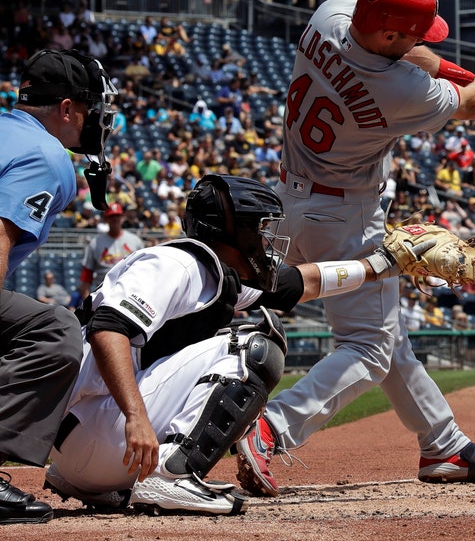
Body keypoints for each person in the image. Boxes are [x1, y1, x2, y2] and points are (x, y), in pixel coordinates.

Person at [234, 0, 475, 498]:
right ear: (391, 37)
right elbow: (474, 102)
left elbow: (410, 57)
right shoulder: (399, 90)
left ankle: (443, 442)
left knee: (386, 335)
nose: (419, 42)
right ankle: (271, 426)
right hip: (345, 218)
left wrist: (467, 74)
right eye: (414, 34)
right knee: (369, 346)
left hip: (285, 205)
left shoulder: (331, 15)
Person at [42, 174, 419, 515]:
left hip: (92, 448)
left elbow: (301, 283)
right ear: (231, 231)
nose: (267, 240)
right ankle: (172, 475)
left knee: (244, 337)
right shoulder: (174, 264)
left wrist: (382, 264)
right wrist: (136, 417)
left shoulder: (212, 275)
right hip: (103, 428)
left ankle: (108, 479)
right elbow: (107, 329)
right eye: (258, 229)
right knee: (256, 345)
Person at [1, 48, 118, 524]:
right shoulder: (48, 154)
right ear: (67, 109)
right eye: (90, 110)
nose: (96, 122)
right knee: (54, 329)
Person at [78, 202, 145, 299]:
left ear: (123, 218)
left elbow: (143, 271)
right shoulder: (95, 243)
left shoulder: (135, 241)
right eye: (111, 216)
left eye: (117, 216)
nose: (115, 219)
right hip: (103, 294)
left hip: (130, 293)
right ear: (105, 219)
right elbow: (86, 276)